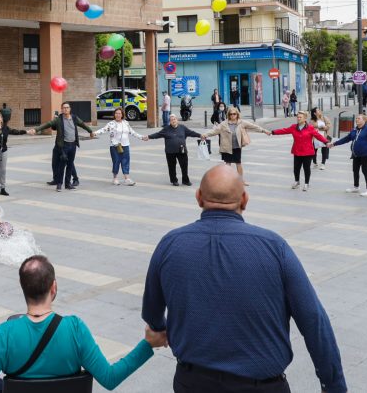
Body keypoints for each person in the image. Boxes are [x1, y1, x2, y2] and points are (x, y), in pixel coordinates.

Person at [143, 165, 346, 393]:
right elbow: (314, 321)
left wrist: (160, 328)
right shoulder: (274, 247)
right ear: (245, 199)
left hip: (192, 382)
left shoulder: (170, 244)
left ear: (199, 197)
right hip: (263, 386)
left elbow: (152, 312)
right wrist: (333, 385)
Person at [0, 254, 166, 389]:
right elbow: (110, 378)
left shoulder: (7, 333)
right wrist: (147, 345)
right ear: (54, 287)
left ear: (23, 289)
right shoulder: (75, 328)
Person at [28, 103, 95, 192]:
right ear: (61, 110)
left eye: (67, 108)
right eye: (64, 108)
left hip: (73, 145)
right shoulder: (59, 120)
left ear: (70, 109)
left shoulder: (74, 118)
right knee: (62, 165)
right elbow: (48, 124)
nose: (65, 109)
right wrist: (36, 130)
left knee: (70, 165)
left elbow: (82, 124)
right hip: (64, 146)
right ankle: (59, 184)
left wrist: (90, 131)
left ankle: (68, 184)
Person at [201, 106, 270, 184]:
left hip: (237, 147)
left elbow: (254, 127)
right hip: (227, 147)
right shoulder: (224, 124)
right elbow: (214, 131)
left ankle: (240, 180)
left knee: (238, 163)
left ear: (237, 114)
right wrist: (205, 135)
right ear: (228, 115)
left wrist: (264, 131)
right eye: (231, 114)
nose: (232, 115)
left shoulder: (241, 122)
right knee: (227, 164)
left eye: (234, 114)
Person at [329, 114, 367, 197]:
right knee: (355, 170)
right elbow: (347, 138)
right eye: (356, 118)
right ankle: (356, 187)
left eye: (359, 118)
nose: (357, 120)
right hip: (356, 153)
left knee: (365, 170)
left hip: (366, 153)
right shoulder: (355, 129)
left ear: (364, 120)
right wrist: (334, 144)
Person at [272, 111, 328, 192]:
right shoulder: (294, 127)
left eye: (300, 117)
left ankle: (306, 183)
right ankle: (297, 181)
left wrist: (326, 142)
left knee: (306, 168)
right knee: (296, 168)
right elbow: (284, 130)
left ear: (305, 118)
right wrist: (273, 132)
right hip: (297, 151)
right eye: (297, 117)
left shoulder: (310, 128)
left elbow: (318, 136)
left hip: (308, 152)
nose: (298, 118)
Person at [144, 114, 203, 186]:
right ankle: (174, 180)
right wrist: (149, 137)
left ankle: (185, 180)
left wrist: (200, 135)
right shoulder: (166, 129)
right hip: (170, 151)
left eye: (174, 119)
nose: (173, 121)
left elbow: (191, 133)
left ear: (177, 120)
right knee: (171, 167)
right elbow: (157, 134)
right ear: (170, 121)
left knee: (184, 166)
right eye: (171, 120)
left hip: (182, 150)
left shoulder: (182, 128)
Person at [95, 107, 144, 186]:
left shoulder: (126, 123)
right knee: (116, 161)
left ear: (122, 114)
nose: (118, 115)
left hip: (125, 145)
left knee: (126, 161)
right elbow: (103, 130)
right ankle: (115, 178)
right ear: (114, 115)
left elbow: (132, 132)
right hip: (115, 145)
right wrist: (94, 133)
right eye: (116, 113)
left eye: (119, 113)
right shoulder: (111, 124)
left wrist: (141, 137)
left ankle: (127, 178)